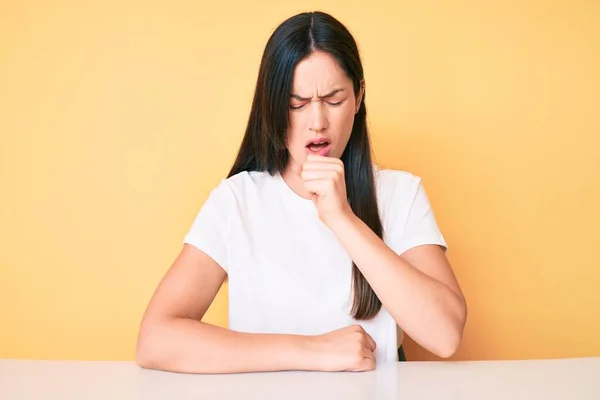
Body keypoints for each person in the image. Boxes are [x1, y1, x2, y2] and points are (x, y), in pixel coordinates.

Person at [135, 10, 467, 374]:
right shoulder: (237, 200)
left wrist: (342, 219)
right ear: (273, 107)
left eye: (334, 99)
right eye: (296, 104)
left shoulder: (400, 193)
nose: (317, 121)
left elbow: (446, 335)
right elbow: (155, 339)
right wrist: (313, 352)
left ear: (358, 97)